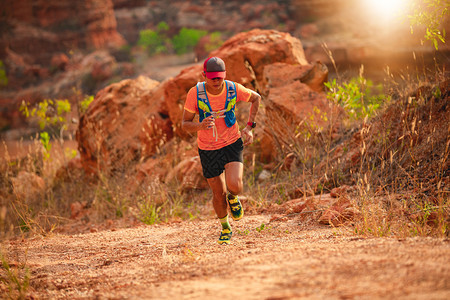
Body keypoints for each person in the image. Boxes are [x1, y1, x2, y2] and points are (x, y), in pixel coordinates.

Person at [181, 56, 261, 245]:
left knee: (235, 185)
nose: (217, 82)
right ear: (204, 76)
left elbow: (256, 98)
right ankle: (225, 228)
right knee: (218, 194)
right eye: (213, 78)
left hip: (232, 142)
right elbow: (185, 124)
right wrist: (200, 126)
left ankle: (234, 198)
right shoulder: (196, 93)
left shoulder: (233, 88)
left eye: (220, 78)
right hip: (208, 148)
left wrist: (249, 127)